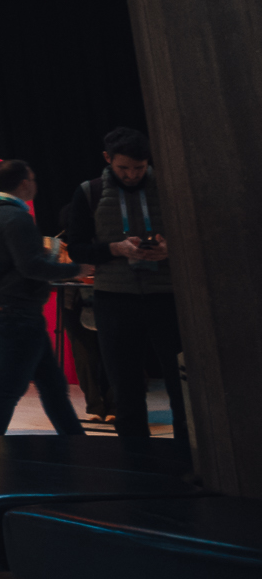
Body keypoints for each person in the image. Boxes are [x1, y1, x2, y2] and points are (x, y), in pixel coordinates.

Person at [77, 128, 185, 449]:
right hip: (115, 299)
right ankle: (135, 460)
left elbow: (201, 236)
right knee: (125, 388)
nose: (132, 175)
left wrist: (171, 249)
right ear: (107, 159)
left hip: (168, 297)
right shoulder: (90, 192)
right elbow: (78, 248)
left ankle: (190, 456)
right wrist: (116, 249)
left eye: (139, 167)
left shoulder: (171, 187)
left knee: (182, 385)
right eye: (123, 168)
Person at [0, 159, 93, 438]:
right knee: (7, 390)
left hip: (1, 307)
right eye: (33, 179)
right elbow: (31, 267)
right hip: (16, 313)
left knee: (52, 385)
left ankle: (77, 444)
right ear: (25, 183)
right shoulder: (16, 218)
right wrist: (76, 270)